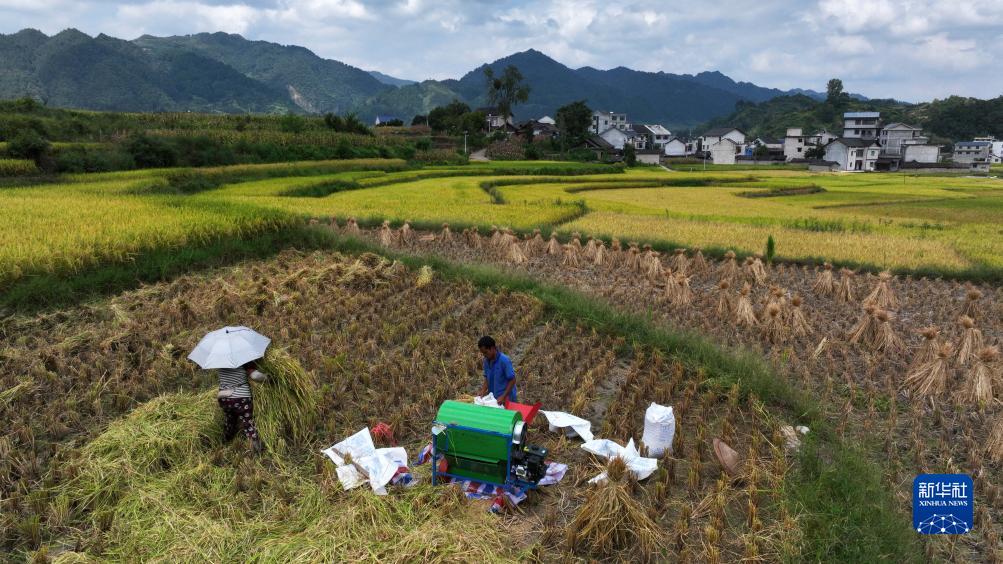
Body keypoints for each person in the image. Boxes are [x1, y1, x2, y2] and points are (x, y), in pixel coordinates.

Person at [217, 361, 268, 454]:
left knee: (230, 421)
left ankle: (224, 442)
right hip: (240, 398)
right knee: (248, 423)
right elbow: (255, 376)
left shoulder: (220, 362)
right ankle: (256, 448)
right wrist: (267, 377)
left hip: (224, 398)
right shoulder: (243, 361)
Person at [477, 335, 517, 403]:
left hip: (507, 400)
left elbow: (512, 380)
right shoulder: (486, 361)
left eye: (485, 352)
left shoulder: (504, 361)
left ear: (492, 348)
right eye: (483, 353)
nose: (484, 355)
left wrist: (503, 396)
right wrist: (483, 391)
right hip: (495, 399)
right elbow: (487, 378)